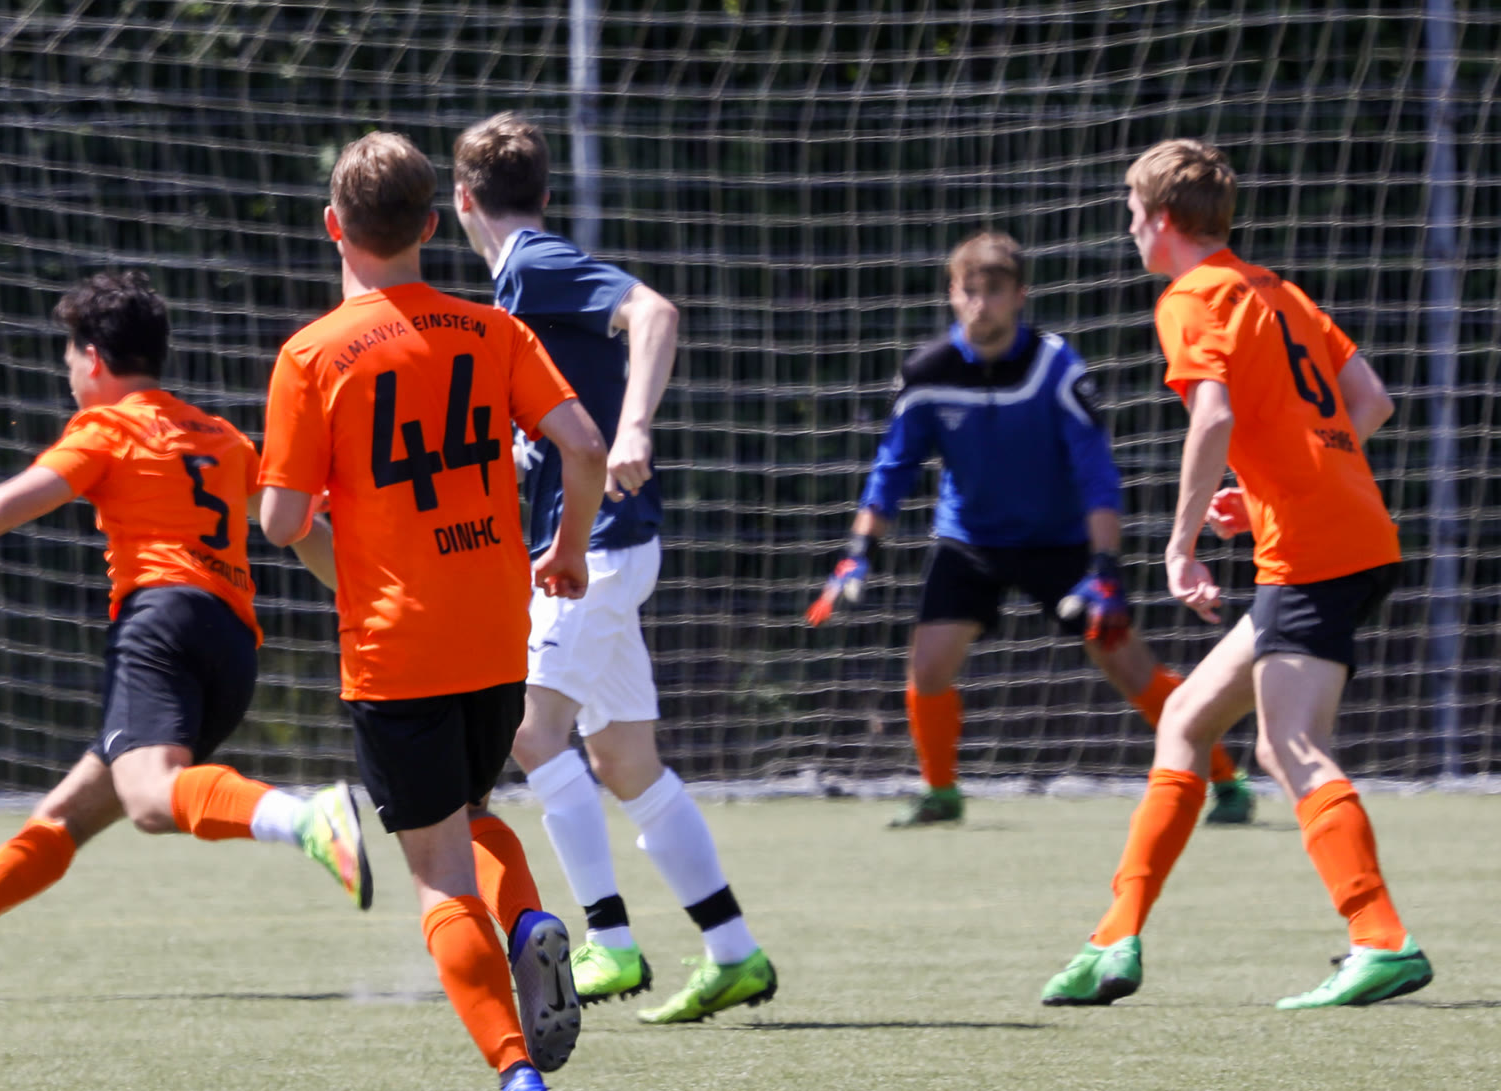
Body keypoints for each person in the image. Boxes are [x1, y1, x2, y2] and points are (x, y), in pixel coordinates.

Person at [0, 269, 370, 1004]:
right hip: (231, 646)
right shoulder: (218, 435)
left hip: (159, 625)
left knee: (148, 798)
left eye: (68, 356)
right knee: (72, 810)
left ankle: (308, 818)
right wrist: (368, 595)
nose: (67, 373)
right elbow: (301, 527)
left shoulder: (107, 429)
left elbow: (1, 506)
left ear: (93, 357)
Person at [259, 131, 609, 1091]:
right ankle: (532, 921)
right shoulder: (492, 331)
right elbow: (583, 444)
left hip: (396, 646)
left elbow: (281, 521)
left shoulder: (311, 355)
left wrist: (336, 545)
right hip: (496, 631)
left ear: (333, 227)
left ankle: (515, 1075)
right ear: (428, 224)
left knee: (435, 873)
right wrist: (567, 551)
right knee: (468, 815)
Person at [1041, 139, 1431, 1009]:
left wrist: (1180, 543)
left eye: (1133, 215)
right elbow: (1369, 402)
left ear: (1163, 220)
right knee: (1186, 719)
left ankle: (1381, 938)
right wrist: (1263, 496)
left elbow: (1212, 416)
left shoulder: (1190, 297)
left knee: (1289, 744)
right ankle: (1112, 939)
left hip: (1314, 552)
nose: (1130, 230)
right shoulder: (1277, 290)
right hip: (1345, 531)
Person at [450, 112, 776, 1024]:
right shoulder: (516, 285)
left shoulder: (532, 262)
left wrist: (634, 427)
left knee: (530, 733)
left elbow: (655, 311)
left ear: (463, 200)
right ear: (545, 191)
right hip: (603, 543)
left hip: (596, 544)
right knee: (626, 760)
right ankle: (734, 952)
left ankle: (610, 940)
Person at [810, 232, 1251, 827]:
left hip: (1062, 543)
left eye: (994, 291)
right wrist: (857, 553)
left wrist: (1105, 568)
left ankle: (1226, 780)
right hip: (969, 540)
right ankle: (941, 793)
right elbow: (893, 468)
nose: (980, 305)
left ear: (1020, 295)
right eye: (969, 291)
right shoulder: (927, 373)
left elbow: (1095, 473)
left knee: (1130, 669)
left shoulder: (1056, 368)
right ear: (951, 294)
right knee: (928, 667)